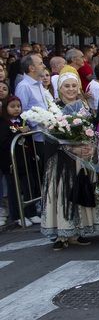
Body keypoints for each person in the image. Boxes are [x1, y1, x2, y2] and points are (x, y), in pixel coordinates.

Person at [40, 73, 99, 250]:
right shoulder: (53, 109)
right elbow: (50, 137)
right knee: (61, 196)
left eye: (74, 85)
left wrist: (91, 147)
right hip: (60, 161)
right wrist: (70, 148)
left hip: (81, 159)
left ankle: (79, 231)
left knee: (80, 192)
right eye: (67, 86)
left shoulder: (85, 107)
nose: (71, 89)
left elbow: (92, 131)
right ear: (60, 89)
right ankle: (61, 234)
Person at [0, 96, 39, 228]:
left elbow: (29, 139)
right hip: (10, 162)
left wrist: (34, 154)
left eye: (18, 106)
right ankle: (17, 216)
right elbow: (4, 142)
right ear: (5, 108)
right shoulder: (3, 123)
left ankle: (31, 212)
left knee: (29, 185)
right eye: (12, 106)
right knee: (13, 189)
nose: (16, 109)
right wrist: (17, 132)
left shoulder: (22, 120)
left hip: (25, 160)